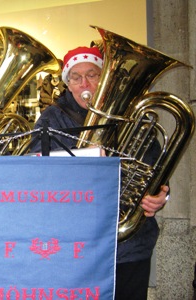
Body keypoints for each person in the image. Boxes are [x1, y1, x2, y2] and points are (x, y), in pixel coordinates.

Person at [31, 46, 169, 300]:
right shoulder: (52, 118)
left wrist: (160, 194)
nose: (84, 83)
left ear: (104, 79)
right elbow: (37, 170)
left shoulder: (133, 113)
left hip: (131, 242)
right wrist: (88, 157)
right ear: (68, 84)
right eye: (76, 77)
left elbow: (155, 166)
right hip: (78, 243)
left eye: (92, 75)